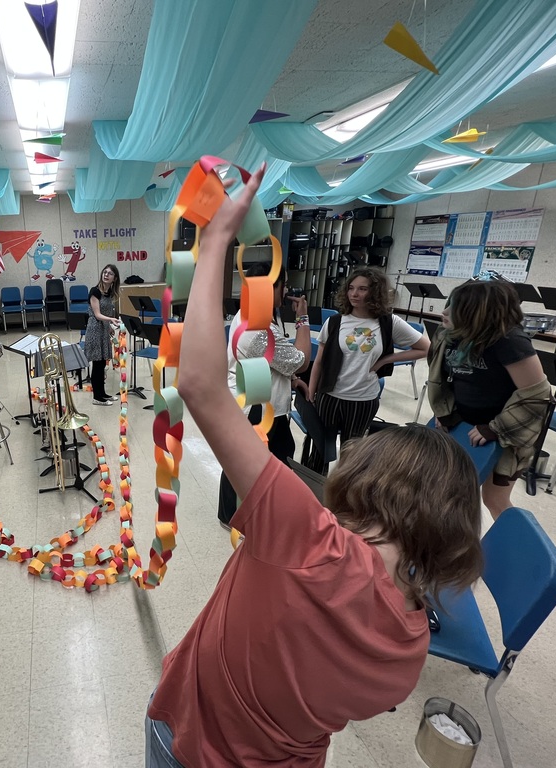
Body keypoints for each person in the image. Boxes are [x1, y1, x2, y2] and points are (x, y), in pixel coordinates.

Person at [145, 163, 484, 768]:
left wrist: (216, 238)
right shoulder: (410, 648)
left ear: (371, 478)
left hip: (190, 741)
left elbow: (197, 383)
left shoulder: (305, 537)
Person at [428, 279, 551, 520]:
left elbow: (537, 396)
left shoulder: (510, 341)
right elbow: (441, 379)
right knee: (444, 491)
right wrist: (444, 411)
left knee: (494, 499)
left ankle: (512, 542)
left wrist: (495, 428)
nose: (445, 311)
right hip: (461, 424)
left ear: (479, 313)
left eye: (456, 307)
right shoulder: (450, 334)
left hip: (503, 434)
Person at [302, 267, 429, 474]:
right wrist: (312, 390)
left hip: (363, 399)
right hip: (330, 395)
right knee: (319, 450)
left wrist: (386, 359)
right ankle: (313, 488)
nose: (354, 294)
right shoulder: (335, 322)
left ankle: (343, 489)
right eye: (351, 288)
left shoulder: (388, 322)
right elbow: (319, 362)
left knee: (352, 454)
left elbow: (425, 349)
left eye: (362, 289)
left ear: (375, 292)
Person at [217, 262, 310, 529]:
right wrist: (303, 319)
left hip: (253, 398)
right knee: (259, 462)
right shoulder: (258, 328)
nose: (287, 291)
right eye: (284, 285)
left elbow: (269, 361)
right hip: (259, 407)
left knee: (258, 457)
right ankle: (241, 518)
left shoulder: (250, 313)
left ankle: (239, 515)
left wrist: (291, 380)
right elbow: (301, 361)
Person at [85, 263, 122, 405]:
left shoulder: (109, 293)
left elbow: (105, 313)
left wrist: (109, 328)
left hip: (103, 329)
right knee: (97, 363)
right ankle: (97, 397)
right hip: (95, 329)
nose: (106, 275)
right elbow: (97, 314)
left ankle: (103, 393)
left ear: (114, 278)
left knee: (101, 364)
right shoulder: (95, 291)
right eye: (105, 272)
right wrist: (111, 320)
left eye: (110, 273)